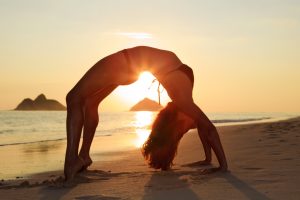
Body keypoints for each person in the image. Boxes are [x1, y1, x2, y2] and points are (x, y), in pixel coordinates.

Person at [64, 46, 227, 181]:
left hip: (127, 63)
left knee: (74, 98)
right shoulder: (183, 98)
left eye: (183, 131)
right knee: (90, 103)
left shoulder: (182, 98)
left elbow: (209, 128)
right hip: (130, 66)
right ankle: (84, 156)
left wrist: (223, 166)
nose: (188, 127)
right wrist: (208, 159)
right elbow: (202, 126)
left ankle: (72, 160)